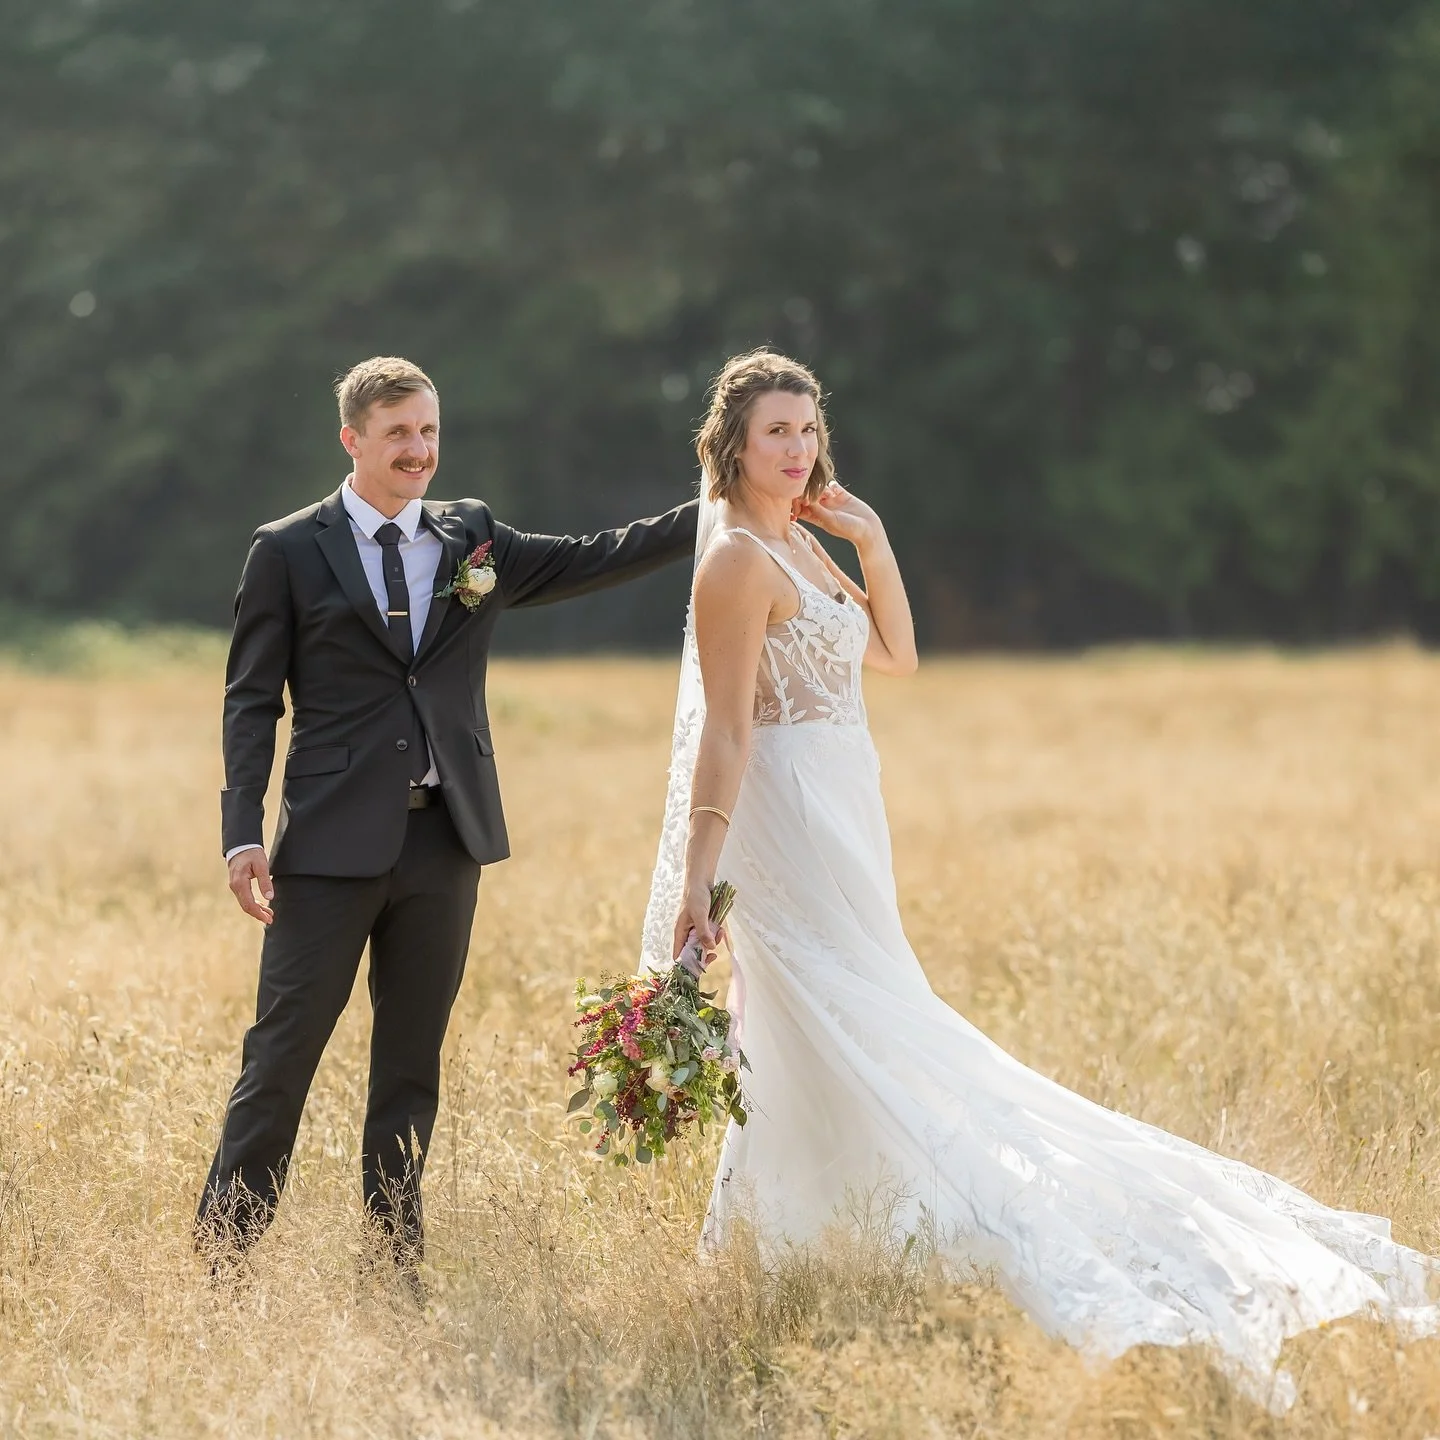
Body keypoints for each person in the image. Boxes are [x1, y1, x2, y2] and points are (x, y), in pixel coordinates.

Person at [640, 347, 1438, 1403]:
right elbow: (728, 731)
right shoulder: (737, 562)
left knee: (860, 1013)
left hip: (844, 808)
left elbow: (896, 656)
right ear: (733, 445)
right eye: (776, 432)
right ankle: (800, 1240)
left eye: (808, 428)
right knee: (840, 1017)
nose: (797, 449)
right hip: (783, 817)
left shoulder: (803, 543)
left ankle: (824, 1237)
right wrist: (697, 876)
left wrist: (872, 539)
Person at [198, 355, 697, 1274]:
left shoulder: (472, 536)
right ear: (351, 440)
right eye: (398, 433)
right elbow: (250, 701)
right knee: (280, 1060)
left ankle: (394, 1267)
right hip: (327, 848)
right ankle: (222, 1262)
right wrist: (241, 833)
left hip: (445, 842)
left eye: (429, 431)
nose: (419, 450)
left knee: (410, 1068)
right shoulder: (288, 549)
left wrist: (726, 506)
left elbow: (598, 554)